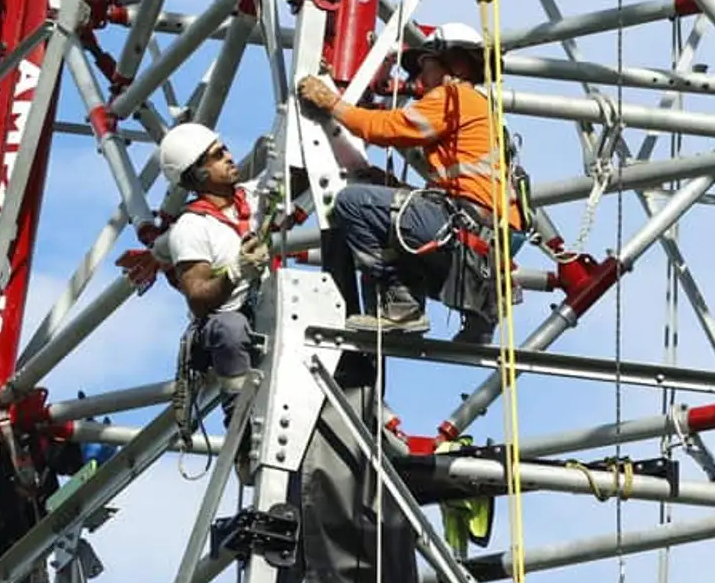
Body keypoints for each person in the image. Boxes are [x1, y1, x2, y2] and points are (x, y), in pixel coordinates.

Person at [296, 22, 520, 343]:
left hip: (461, 232)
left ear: (455, 63)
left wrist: (331, 102)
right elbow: (467, 190)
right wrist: (393, 187)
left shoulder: (455, 96)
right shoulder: (487, 112)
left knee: (351, 202)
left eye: (425, 66)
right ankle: (479, 318)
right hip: (484, 244)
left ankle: (402, 305)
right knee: (387, 212)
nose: (419, 79)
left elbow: (386, 127)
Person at [153, 122, 270, 416]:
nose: (229, 156)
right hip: (226, 326)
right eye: (218, 155)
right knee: (230, 327)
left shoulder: (253, 198)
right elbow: (199, 298)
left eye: (224, 149)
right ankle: (242, 417)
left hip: (267, 310)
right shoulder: (192, 228)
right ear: (199, 174)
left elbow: (299, 178)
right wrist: (236, 272)